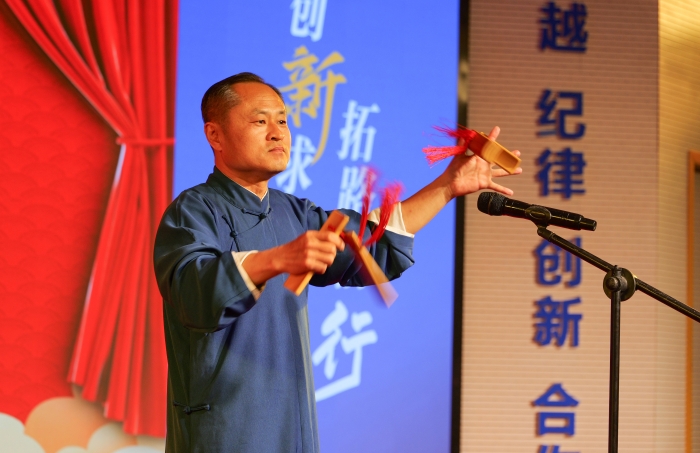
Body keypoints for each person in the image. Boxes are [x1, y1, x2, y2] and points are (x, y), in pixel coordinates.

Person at [153, 72, 521, 453]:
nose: (278, 133)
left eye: (283, 121)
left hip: (293, 434)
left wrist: (448, 185)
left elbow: (370, 243)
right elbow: (193, 292)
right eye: (260, 121)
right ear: (215, 135)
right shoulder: (192, 211)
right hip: (223, 434)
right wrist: (277, 258)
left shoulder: (294, 213)